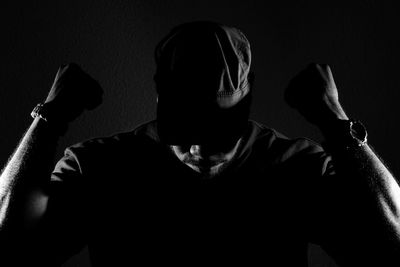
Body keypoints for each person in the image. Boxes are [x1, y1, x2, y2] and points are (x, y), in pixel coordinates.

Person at [1, 21, 399, 266]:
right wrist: (48, 120)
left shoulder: (293, 167)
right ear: (159, 96)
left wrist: (336, 121)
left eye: (220, 125)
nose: (200, 146)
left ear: (248, 97)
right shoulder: (103, 167)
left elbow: (390, 245)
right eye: (184, 122)